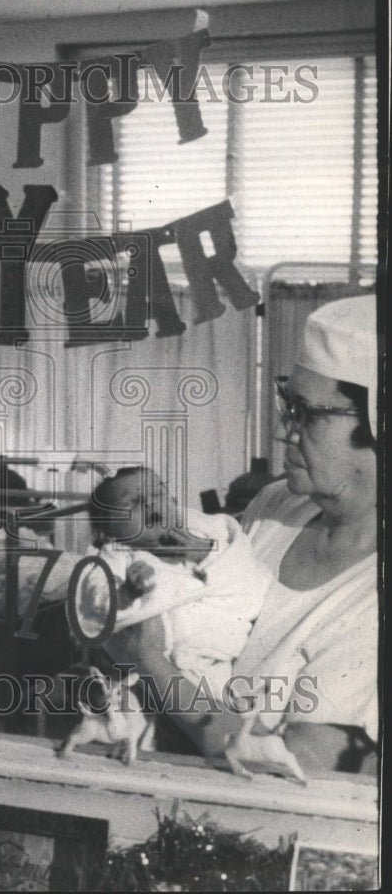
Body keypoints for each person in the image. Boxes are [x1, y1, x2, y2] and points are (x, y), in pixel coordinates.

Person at [112, 295, 379, 775]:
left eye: (306, 412)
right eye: (286, 402)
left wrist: (150, 661)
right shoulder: (278, 507)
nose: (282, 431)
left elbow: (300, 765)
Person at [75, 466, 272, 697]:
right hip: (158, 666)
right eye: (130, 503)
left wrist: (206, 554)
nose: (149, 504)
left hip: (217, 655)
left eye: (157, 494)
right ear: (108, 531)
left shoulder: (201, 534)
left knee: (228, 706)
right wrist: (126, 593)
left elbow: (247, 575)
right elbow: (98, 598)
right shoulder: (117, 556)